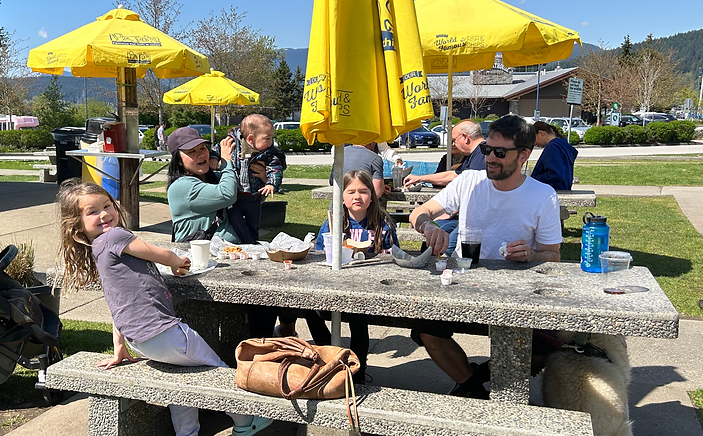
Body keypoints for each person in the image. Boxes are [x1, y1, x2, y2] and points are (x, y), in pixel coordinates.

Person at [56, 180, 272, 436]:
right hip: (165, 331)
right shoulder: (116, 236)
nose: (104, 214)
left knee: (181, 385)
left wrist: (119, 348)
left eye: (107, 205)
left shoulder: (98, 249)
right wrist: (175, 261)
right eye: (93, 212)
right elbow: (157, 252)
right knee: (219, 371)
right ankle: (244, 422)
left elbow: (117, 303)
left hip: (140, 340)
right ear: (77, 224)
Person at [408, 115, 562, 398]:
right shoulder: (469, 181)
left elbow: (553, 256)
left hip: (515, 290)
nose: (490, 158)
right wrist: (428, 226)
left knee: (546, 350)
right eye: (486, 150)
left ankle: (479, 375)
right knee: (425, 327)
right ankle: (473, 388)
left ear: (524, 155)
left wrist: (532, 253)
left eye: (500, 153)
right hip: (464, 279)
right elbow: (418, 212)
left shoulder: (542, 195)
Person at [277, 170, 399, 383]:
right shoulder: (334, 223)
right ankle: (330, 355)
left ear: (373, 195)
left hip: (366, 288)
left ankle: (358, 368)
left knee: (357, 316)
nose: (357, 196)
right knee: (308, 307)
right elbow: (319, 253)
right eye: (351, 191)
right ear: (341, 197)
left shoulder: (383, 224)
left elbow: (393, 258)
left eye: (363, 191)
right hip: (333, 284)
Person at [166, 126, 241, 243]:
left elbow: (245, 196)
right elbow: (227, 194)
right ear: (179, 161)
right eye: (191, 151)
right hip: (199, 257)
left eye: (203, 148)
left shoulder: (214, 178)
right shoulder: (181, 187)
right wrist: (226, 161)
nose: (200, 154)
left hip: (229, 253)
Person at [223, 114, 286, 244]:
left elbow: (276, 168)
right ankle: (247, 242)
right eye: (267, 138)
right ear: (251, 139)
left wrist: (271, 184)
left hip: (254, 196)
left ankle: (253, 242)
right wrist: (213, 158)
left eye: (271, 138)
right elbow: (218, 150)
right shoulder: (233, 144)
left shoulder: (268, 154)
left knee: (254, 222)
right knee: (235, 219)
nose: (271, 142)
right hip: (235, 197)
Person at [402, 120, 485, 188]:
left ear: (465, 137)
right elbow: (453, 175)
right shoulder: (474, 154)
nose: (453, 144)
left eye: (454, 140)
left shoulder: (484, 153)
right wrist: (420, 178)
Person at [530, 120, 578, 191]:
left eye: (534, 139)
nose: (535, 144)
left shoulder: (552, 147)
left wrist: (534, 179)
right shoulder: (562, 145)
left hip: (553, 193)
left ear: (541, 133)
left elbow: (556, 174)